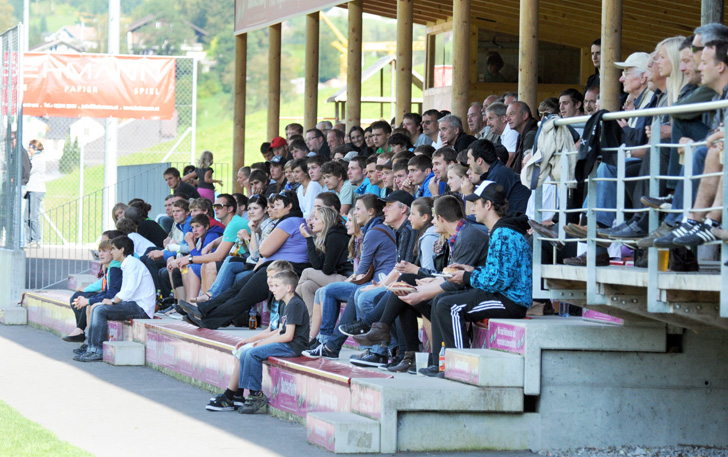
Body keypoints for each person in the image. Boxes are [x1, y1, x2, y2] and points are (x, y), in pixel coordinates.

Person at [350, 194, 490, 372]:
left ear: (440, 218)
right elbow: (449, 275)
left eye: (434, 218)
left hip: (471, 294)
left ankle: (386, 333)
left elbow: (456, 282)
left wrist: (420, 292)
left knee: (417, 294)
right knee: (404, 289)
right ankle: (406, 352)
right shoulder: (455, 236)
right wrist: (427, 282)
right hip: (458, 289)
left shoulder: (466, 236)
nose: (432, 222)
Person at [421, 183, 532, 375]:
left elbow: (499, 281)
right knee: (440, 299)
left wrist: (466, 276)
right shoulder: (500, 231)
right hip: (500, 294)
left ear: (488, 205)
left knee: (450, 306)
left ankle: (458, 367)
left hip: (510, 301)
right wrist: (472, 270)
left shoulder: (504, 233)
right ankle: (438, 364)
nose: (472, 209)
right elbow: (499, 273)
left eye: (476, 203)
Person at [179, 190, 310, 329]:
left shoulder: (289, 222)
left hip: (283, 270)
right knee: (236, 288)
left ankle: (208, 320)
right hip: (276, 267)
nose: (273, 209)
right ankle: (203, 309)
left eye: (277, 205)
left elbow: (264, 251)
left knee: (243, 296)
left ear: (289, 206)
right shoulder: (292, 221)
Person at [303, 194, 396, 362]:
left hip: (381, 282)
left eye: (358, 209)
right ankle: (327, 344)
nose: (355, 213)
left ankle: (328, 343)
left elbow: (361, 270)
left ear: (371, 211)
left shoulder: (373, 232)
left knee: (332, 290)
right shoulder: (372, 230)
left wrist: (348, 281)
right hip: (376, 280)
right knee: (327, 290)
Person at [209, 269, 309, 414]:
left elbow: (288, 335)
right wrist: (255, 340)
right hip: (286, 343)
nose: (272, 289)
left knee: (252, 353)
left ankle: (256, 394)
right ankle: (243, 394)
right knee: (246, 353)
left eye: (276, 286)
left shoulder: (295, 304)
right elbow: (280, 330)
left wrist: (261, 344)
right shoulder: (284, 303)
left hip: (293, 346)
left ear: (288, 288)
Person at [74, 236, 156, 362]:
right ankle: (91, 348)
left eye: (113, 249)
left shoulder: (132, 264)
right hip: (132, 304)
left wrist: (113, 301)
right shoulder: (126, 264)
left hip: (141, 307)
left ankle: (97, 350)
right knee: (97, 308)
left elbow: (128, 290)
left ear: (121, 250)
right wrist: (110, 301)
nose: (111, 252)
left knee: (100, 310)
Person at [62, 239, 122, 344]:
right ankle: (82, 334)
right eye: (99, 251)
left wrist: (89, 300)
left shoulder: (115, 268)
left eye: (104, 251)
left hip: (117, 301)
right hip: (110, 297)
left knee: (90, 303)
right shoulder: (109, 267)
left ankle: (87, 339)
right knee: (77, 297)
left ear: (113, 252)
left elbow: (111, 294)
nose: (100, 254)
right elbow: (105, 288)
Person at [296, 206, 352, 318]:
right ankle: (311, 325)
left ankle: (292, 313)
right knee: (306, 286)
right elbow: (317, 265)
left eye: (316, 219)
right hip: (336, 277)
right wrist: (309, 238)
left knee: (307, 272)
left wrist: (308, 239)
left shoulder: (335, 236)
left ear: (325, 221)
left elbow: (327, 270)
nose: (312, 222)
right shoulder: (329, 235)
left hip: (347, 279)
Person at [466, 139, 531, 215]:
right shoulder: (496, 171)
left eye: (469, 158)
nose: (468, 162)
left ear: (479, 161)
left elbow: (488, 211)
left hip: (518, 221)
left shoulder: (498, 174)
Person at [506, 101, 539, 173]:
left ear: (525, 116)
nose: (507, 119)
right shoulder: (521, 135)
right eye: (507, 115)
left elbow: (525, 169)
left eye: (512, 114)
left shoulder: (531, 135)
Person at [25, 139, 46, 247]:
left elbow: (28, 170)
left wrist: (27, 159)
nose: (29, 149)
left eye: (30, 147)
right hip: (30, 189)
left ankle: (36, 240)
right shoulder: (33, 158)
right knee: (26, 216)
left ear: (35, 148)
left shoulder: (38, 159)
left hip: (36, 190)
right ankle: (27, 239)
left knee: (33, 216)